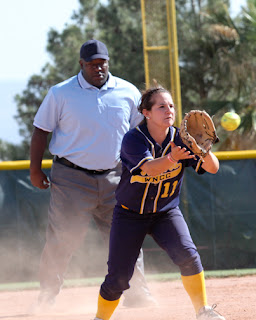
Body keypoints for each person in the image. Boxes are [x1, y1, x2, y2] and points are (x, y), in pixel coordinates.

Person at [29, 39, 155, 312]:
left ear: (108, 62)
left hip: (117, 176)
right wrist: (35, 169)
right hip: (71, 178)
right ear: (81, 64)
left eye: (102, 63)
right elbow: (41, 130)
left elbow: (141, 133)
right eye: (92, 64)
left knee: (127, 236)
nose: (98, 68)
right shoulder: (61, 93)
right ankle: (47, 296)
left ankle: (137, 293)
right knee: (62, 239)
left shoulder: (127, 91)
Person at [93, 86, 226, 320]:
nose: (169, 110)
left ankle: (203, 311)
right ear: (146, 112)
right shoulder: (133, 139)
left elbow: (213, 169)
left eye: (171, 106)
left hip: (165, 213)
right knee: (119, 277)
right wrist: (173, 157)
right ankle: (100, 318)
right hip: (129, 215)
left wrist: (203, 149)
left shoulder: (181, 139)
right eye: (161, 106)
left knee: (188, 256)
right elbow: (150, 169)